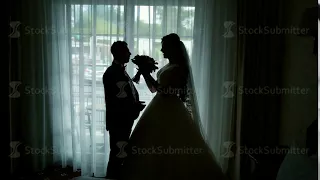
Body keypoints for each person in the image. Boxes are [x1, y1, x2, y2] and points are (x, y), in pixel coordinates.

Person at [120, 34, 227, 180]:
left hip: (170, 109)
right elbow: (153, 89)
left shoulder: (180, 68)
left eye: (164, 46)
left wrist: (145, 71)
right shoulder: (169, 66)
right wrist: (144, 72)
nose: (162, 49)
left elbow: (165, 91)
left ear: (172, 48)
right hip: (158, 106)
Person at [103, 41, 146, 179]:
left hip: (123, 120)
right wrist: (134, 106)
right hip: (118, 121)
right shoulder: (112, 72)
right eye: (127, 51)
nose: (130, 53)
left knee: (120, 152)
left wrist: (134, 104)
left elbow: (124, 96)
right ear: (119, 53)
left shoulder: (120, 70)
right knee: (118, 153)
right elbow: (116, 102)